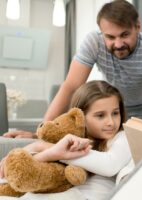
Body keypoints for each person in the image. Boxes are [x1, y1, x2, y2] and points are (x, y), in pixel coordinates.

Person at [3, 0, 142, 138]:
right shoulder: (94, 42)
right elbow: (71, 86)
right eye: (110, 37)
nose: (118, 44)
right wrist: (40, 133)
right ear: (101, 32)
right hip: (108, 107)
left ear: (138, 27)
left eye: (124, 35)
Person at [1, 80, 132, 200]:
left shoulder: (122, 137)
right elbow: (25, 167)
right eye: (100, 115)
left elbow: (109, 166)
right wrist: (40, 150)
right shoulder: (68, 138)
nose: (110, 122)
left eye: (115, 113)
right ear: (80, 117)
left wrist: (49, 149)